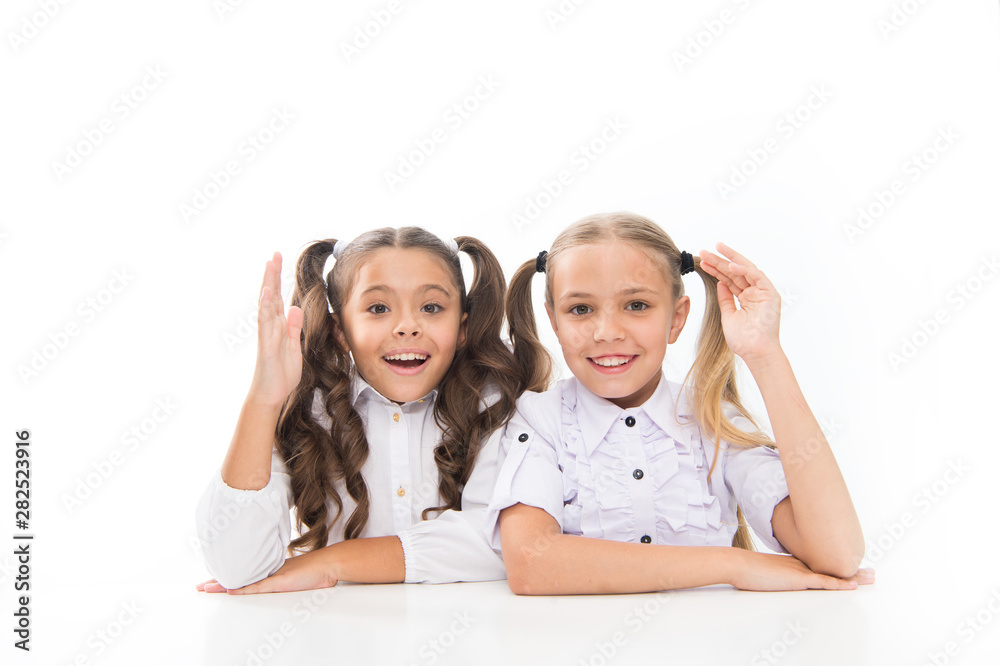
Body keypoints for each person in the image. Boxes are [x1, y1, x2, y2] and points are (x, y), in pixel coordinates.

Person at [487, 211, 874, 594]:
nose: (607, 332)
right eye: (581, 309)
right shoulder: (539, 421)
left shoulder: (713, 422)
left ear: (676, 318)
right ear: (555, 322)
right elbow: (531, 564)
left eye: (636, 305)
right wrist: (733, 564)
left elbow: (838, 555)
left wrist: (765, 355)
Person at [196, 227, 525, 594]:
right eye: (378, 308)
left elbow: (502, 543)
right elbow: (237, 567)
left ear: (462, 327)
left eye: (431, 307)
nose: (406, 327)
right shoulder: (310, 412)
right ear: (340, 331)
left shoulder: (495, 406)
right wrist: (264, 400)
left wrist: (332, 562)